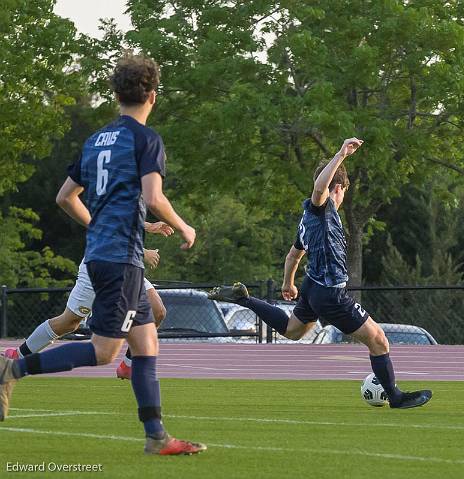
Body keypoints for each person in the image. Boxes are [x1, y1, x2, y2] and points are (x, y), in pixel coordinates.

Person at [0, 54, 205, 454]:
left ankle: (157, 437)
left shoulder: (95, 140)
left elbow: (64, 197)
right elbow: (153, 197)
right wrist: (184, 226)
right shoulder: (146, 139)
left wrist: (97, 227)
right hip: (121, 259)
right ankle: (14, 368)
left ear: (116, 94)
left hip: (102, 254)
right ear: (152, 95)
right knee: (104, 351)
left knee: (146, 346)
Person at [209, 138, 432, 409]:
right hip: (330, 292)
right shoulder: (322, 209)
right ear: (338, 188)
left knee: (292, 331)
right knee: (378, 340)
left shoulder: (307, 219)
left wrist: (287, 283)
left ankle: (245, 299)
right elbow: (318, 189)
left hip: (312, 288)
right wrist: (341, 154)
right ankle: (395, 397)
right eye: (343, 191)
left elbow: (293, 255)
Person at [4, 237, 169, 381]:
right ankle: (18, 355)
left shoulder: (134, 202)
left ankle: (128, 366)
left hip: (127, 267)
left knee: (157, 311)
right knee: (70, 322)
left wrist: (154, 226)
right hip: (99, 264)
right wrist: (142, 251)